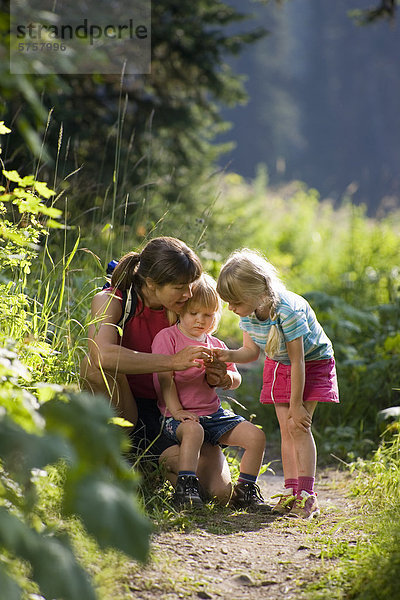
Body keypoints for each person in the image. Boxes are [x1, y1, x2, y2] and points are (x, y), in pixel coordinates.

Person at [80, 236, 232, 503]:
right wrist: (171, 361)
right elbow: (102, 354)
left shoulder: (183, 305)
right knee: (92, 366)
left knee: (220, 492)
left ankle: (152, 465)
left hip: (172, 411)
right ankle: (115, 455)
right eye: (179, 287)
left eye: (190, 286)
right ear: (151, 283)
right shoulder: (112, 300)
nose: (188, 294)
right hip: (126, 405)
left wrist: (216, 375)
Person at [215, 249, 339, 519]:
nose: (230, 308)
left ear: (255, 293)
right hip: (279, 363)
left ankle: (307, 496)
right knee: (285, 429)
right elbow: (251, 353)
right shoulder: (247, 313)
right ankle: (291, 491)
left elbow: (299, 362)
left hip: (311, 364)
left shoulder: (288, 311)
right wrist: (229, 354)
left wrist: (297, 405)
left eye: (234, 302)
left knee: (298, 425)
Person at [152, 273, 269, 510]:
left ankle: (245, 490)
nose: (200, 320)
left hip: (213, 415)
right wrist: (177, 411)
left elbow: (236, 378)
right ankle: (186, 487)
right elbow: (164, 381)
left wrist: (225, 379)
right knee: (193, 430)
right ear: (180, 311)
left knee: (256, 437)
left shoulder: (216, 345)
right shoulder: (168, 338)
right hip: (177, 418)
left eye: (207, 314)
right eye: (193, 313)